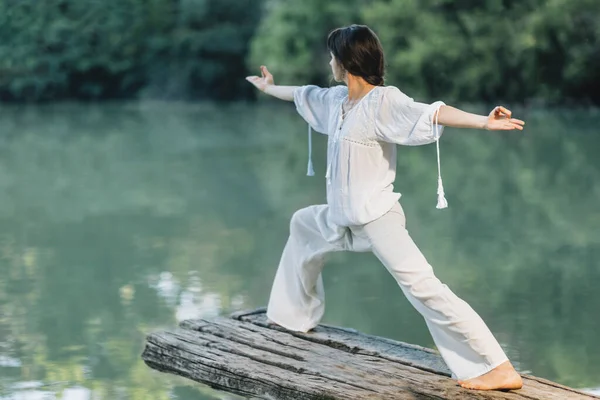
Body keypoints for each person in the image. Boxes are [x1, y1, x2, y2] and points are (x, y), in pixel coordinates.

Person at [245, 24, 525, 391]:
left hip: (376, 218)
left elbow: (433, 112)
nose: (329, 62)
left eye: (332, 56)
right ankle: (291, 317)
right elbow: (300, 93)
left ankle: (497, 366)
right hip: (339, 218)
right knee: (303, 224)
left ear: (346, 61)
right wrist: (268, 87)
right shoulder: (335, 101)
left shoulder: (384, 102)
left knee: (424, 287)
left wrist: (483, 122)